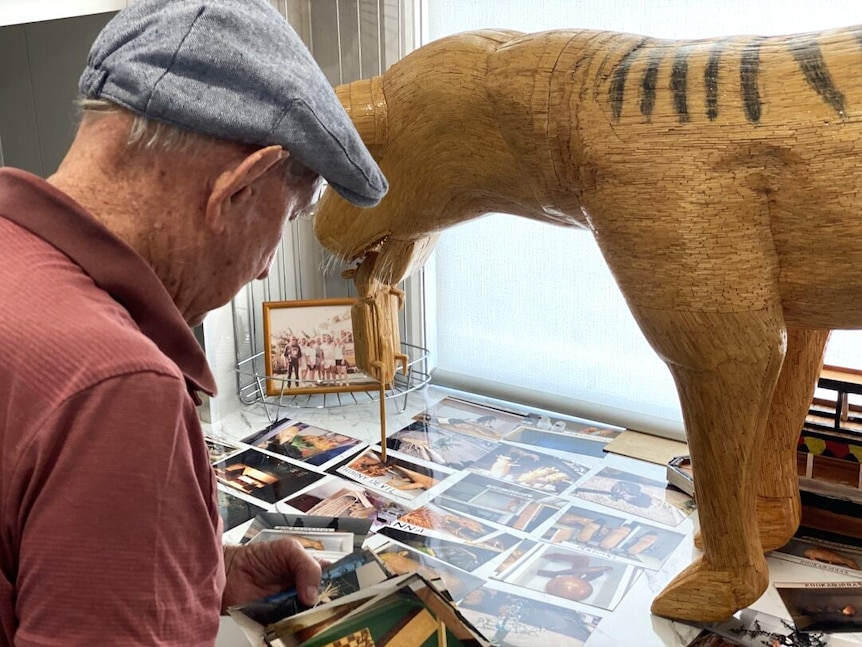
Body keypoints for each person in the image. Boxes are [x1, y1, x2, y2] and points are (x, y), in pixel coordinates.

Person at [0, 0, 388, 645]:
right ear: (239, 189)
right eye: (288, 219)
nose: (265, 271)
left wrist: (196, 572)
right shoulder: (120, 388)